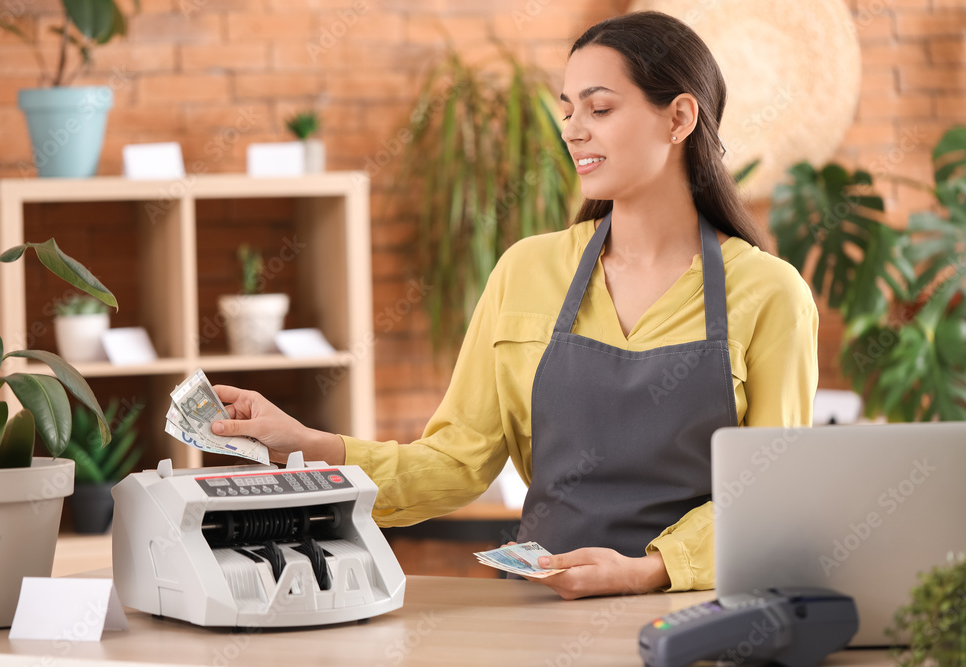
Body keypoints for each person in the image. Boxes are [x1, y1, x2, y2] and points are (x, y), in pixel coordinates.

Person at [211, 11, 818, 601]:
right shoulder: (526, 271)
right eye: (568, 110)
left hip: (687, 613)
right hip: (541, 609)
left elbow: (770, 491)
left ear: (679, 117)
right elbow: (456, 462)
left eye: (600, 109)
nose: (572, 130)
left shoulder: (768, 293)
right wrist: (306, 444)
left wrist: (648, 570)